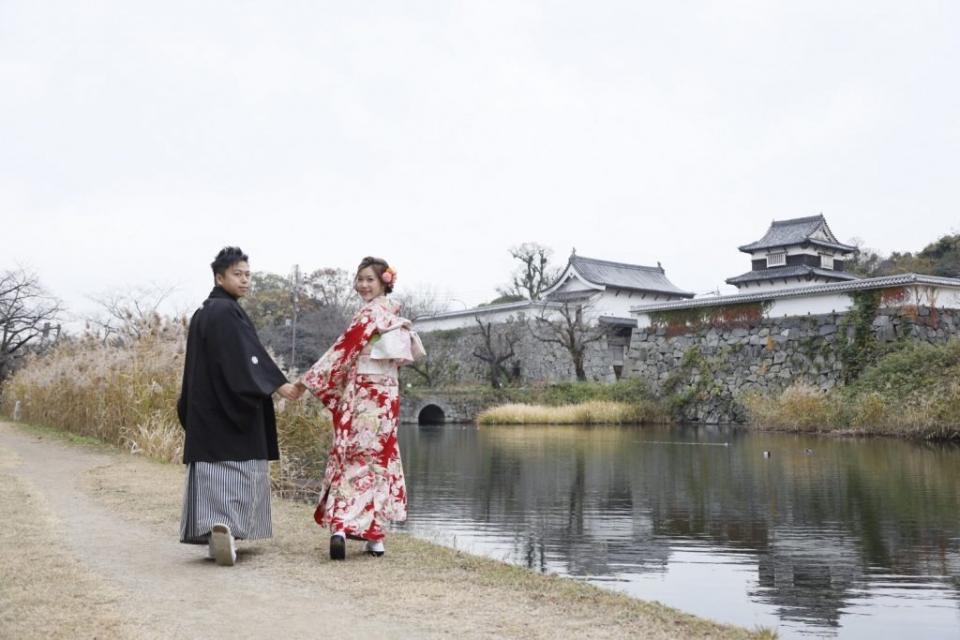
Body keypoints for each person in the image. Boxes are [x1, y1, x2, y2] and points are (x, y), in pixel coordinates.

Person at [177, 246, 302, 566]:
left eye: (248, 274)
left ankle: (213, 531)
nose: (245, 280)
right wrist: (277, 383)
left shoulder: (204, 312)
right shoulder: (226, 312)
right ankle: (228, 530)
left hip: (207, 410)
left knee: (210, 473)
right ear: (219, 277)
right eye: (238, 274)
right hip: (233, 408)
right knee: (239, 471)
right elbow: (248, 358)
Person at [296, 256, 424, 560]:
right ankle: (375, 537)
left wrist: (307, 380)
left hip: (364, 395)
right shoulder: (395, 317)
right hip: (387, 396)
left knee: (350, 456)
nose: (363, 285)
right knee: (380, 458)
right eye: (361, 279)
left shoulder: (369, 315)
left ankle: (340, 526)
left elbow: (340, 352)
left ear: (384, 283)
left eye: (370, 279)